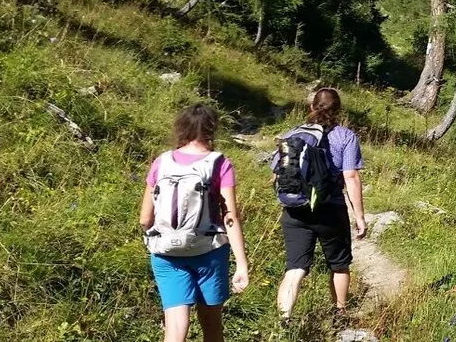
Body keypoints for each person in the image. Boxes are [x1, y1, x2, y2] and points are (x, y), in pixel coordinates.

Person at [140, 105, 251, 342]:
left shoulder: (161, 162)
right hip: (209, 251)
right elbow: (230, 218)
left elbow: (144, 219)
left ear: (181, 128)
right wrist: (242, 264)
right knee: (211, 325)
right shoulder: (220, 163)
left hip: (166, 253)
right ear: (212, 129)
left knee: (176, 327)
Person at [274, 88, 368, 320]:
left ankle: (283, 321)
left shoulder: (293, 134)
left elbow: (277, 172)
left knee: (295, 269)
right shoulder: (345, 136)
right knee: (339, 265)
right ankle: (339, 313)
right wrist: (359, 216)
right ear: (338, 111)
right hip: (330, 209)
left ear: (311, 107)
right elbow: (351, 176)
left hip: (295, 211)